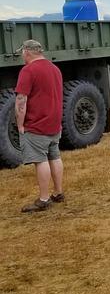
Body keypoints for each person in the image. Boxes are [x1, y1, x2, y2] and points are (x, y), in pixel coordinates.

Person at [15, 40, 64, 213]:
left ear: (27, 52)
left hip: (37, 124)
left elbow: (21, 100)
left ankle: (43, 199)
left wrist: (20, 125)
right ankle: (58, 192)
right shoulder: (54, 69)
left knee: (40, 160)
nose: (22, 55)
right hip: (54, 124)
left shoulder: (28, 70)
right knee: (54, 156)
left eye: (22, 52)